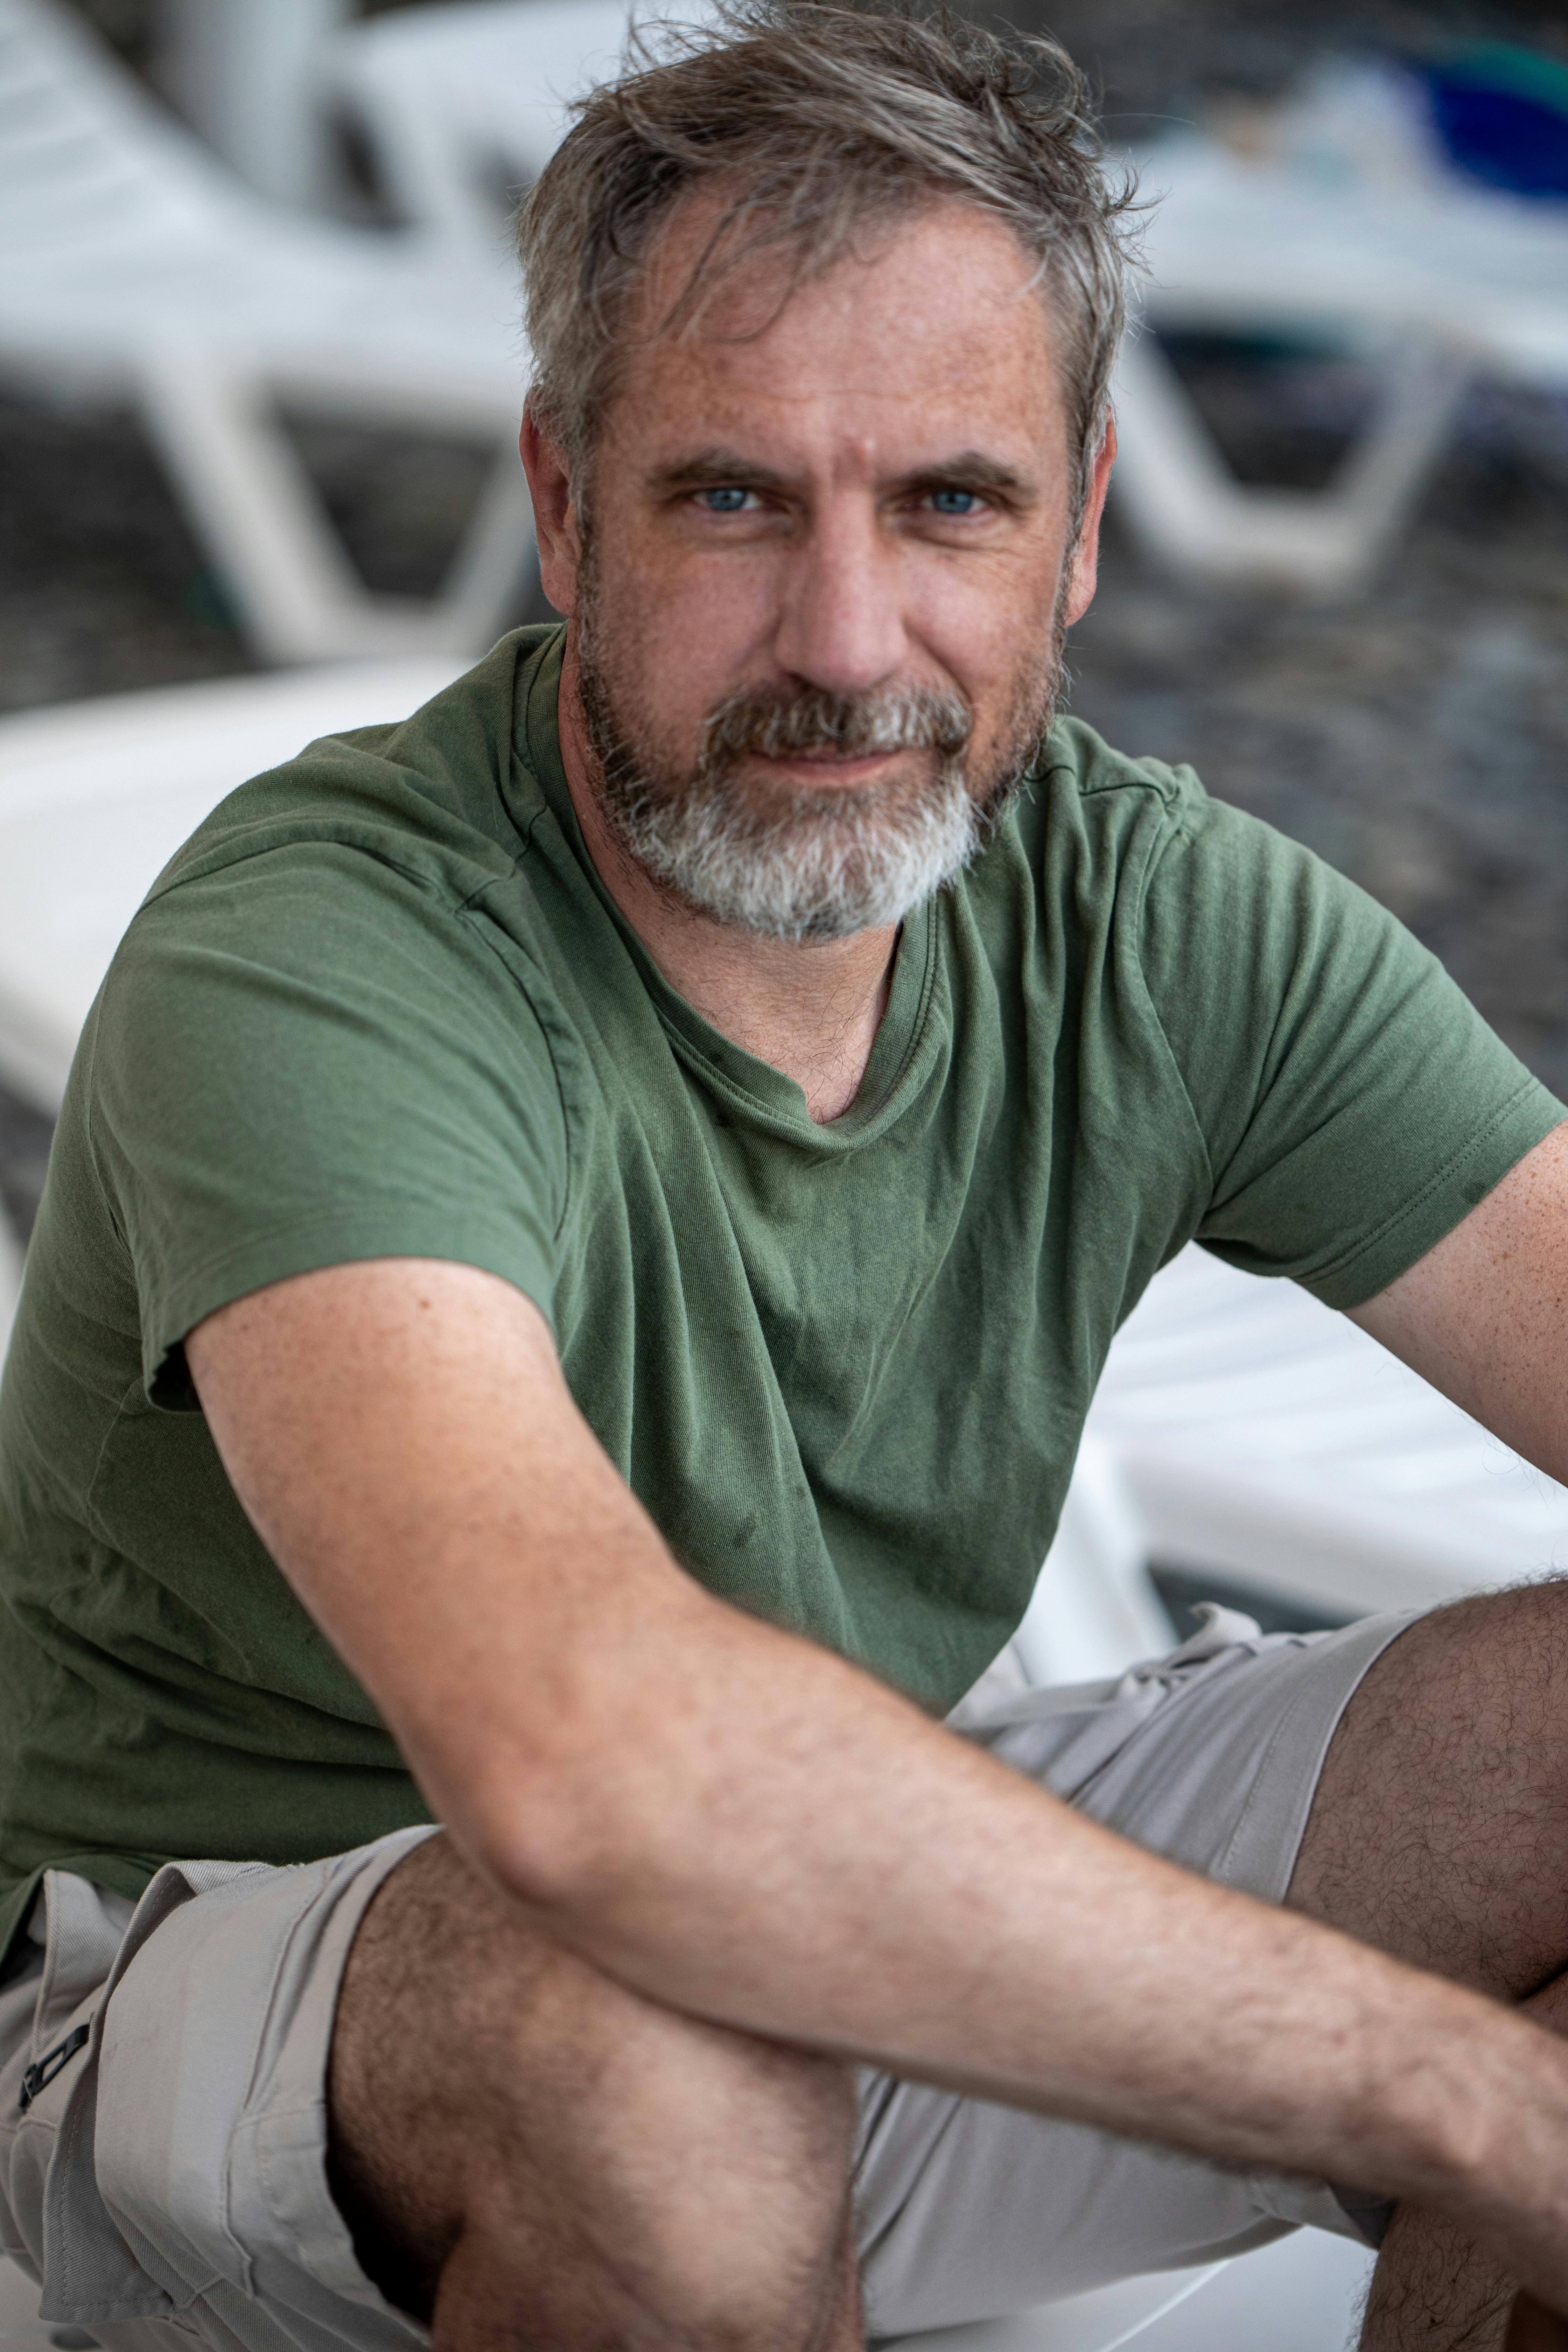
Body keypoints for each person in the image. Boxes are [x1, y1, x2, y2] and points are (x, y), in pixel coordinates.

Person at [3, 7, 1568, 2349]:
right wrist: (1468, 2097)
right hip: (186, 2010)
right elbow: (595, 1778)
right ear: (564, 506)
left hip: (824, 1905)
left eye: (950, 501)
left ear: (1082, 533)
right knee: (649, 2041)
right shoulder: (329, 952)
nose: (848, 648)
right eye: (734, 498)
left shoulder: (1154, 916)